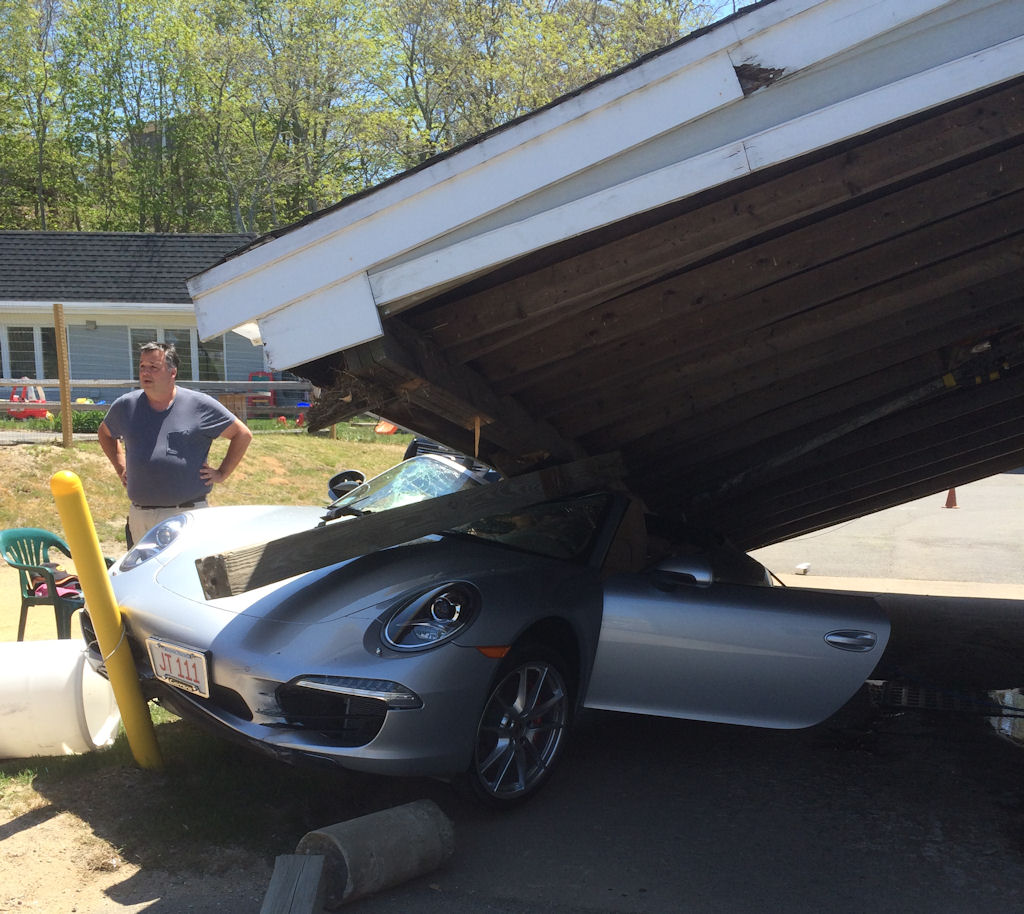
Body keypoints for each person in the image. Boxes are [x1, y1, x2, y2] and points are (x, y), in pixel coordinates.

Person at [98, 341, 253, 547]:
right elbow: (105, 433)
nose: (146, 372)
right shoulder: (126, 406)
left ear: (172, 372)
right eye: (142, 366)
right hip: (140, 516)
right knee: (141, 578)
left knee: (186, 576)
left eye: (154, 367)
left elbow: (242, 434)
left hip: (187, 514)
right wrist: (120, 467)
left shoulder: (199, 405)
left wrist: (222, 473)